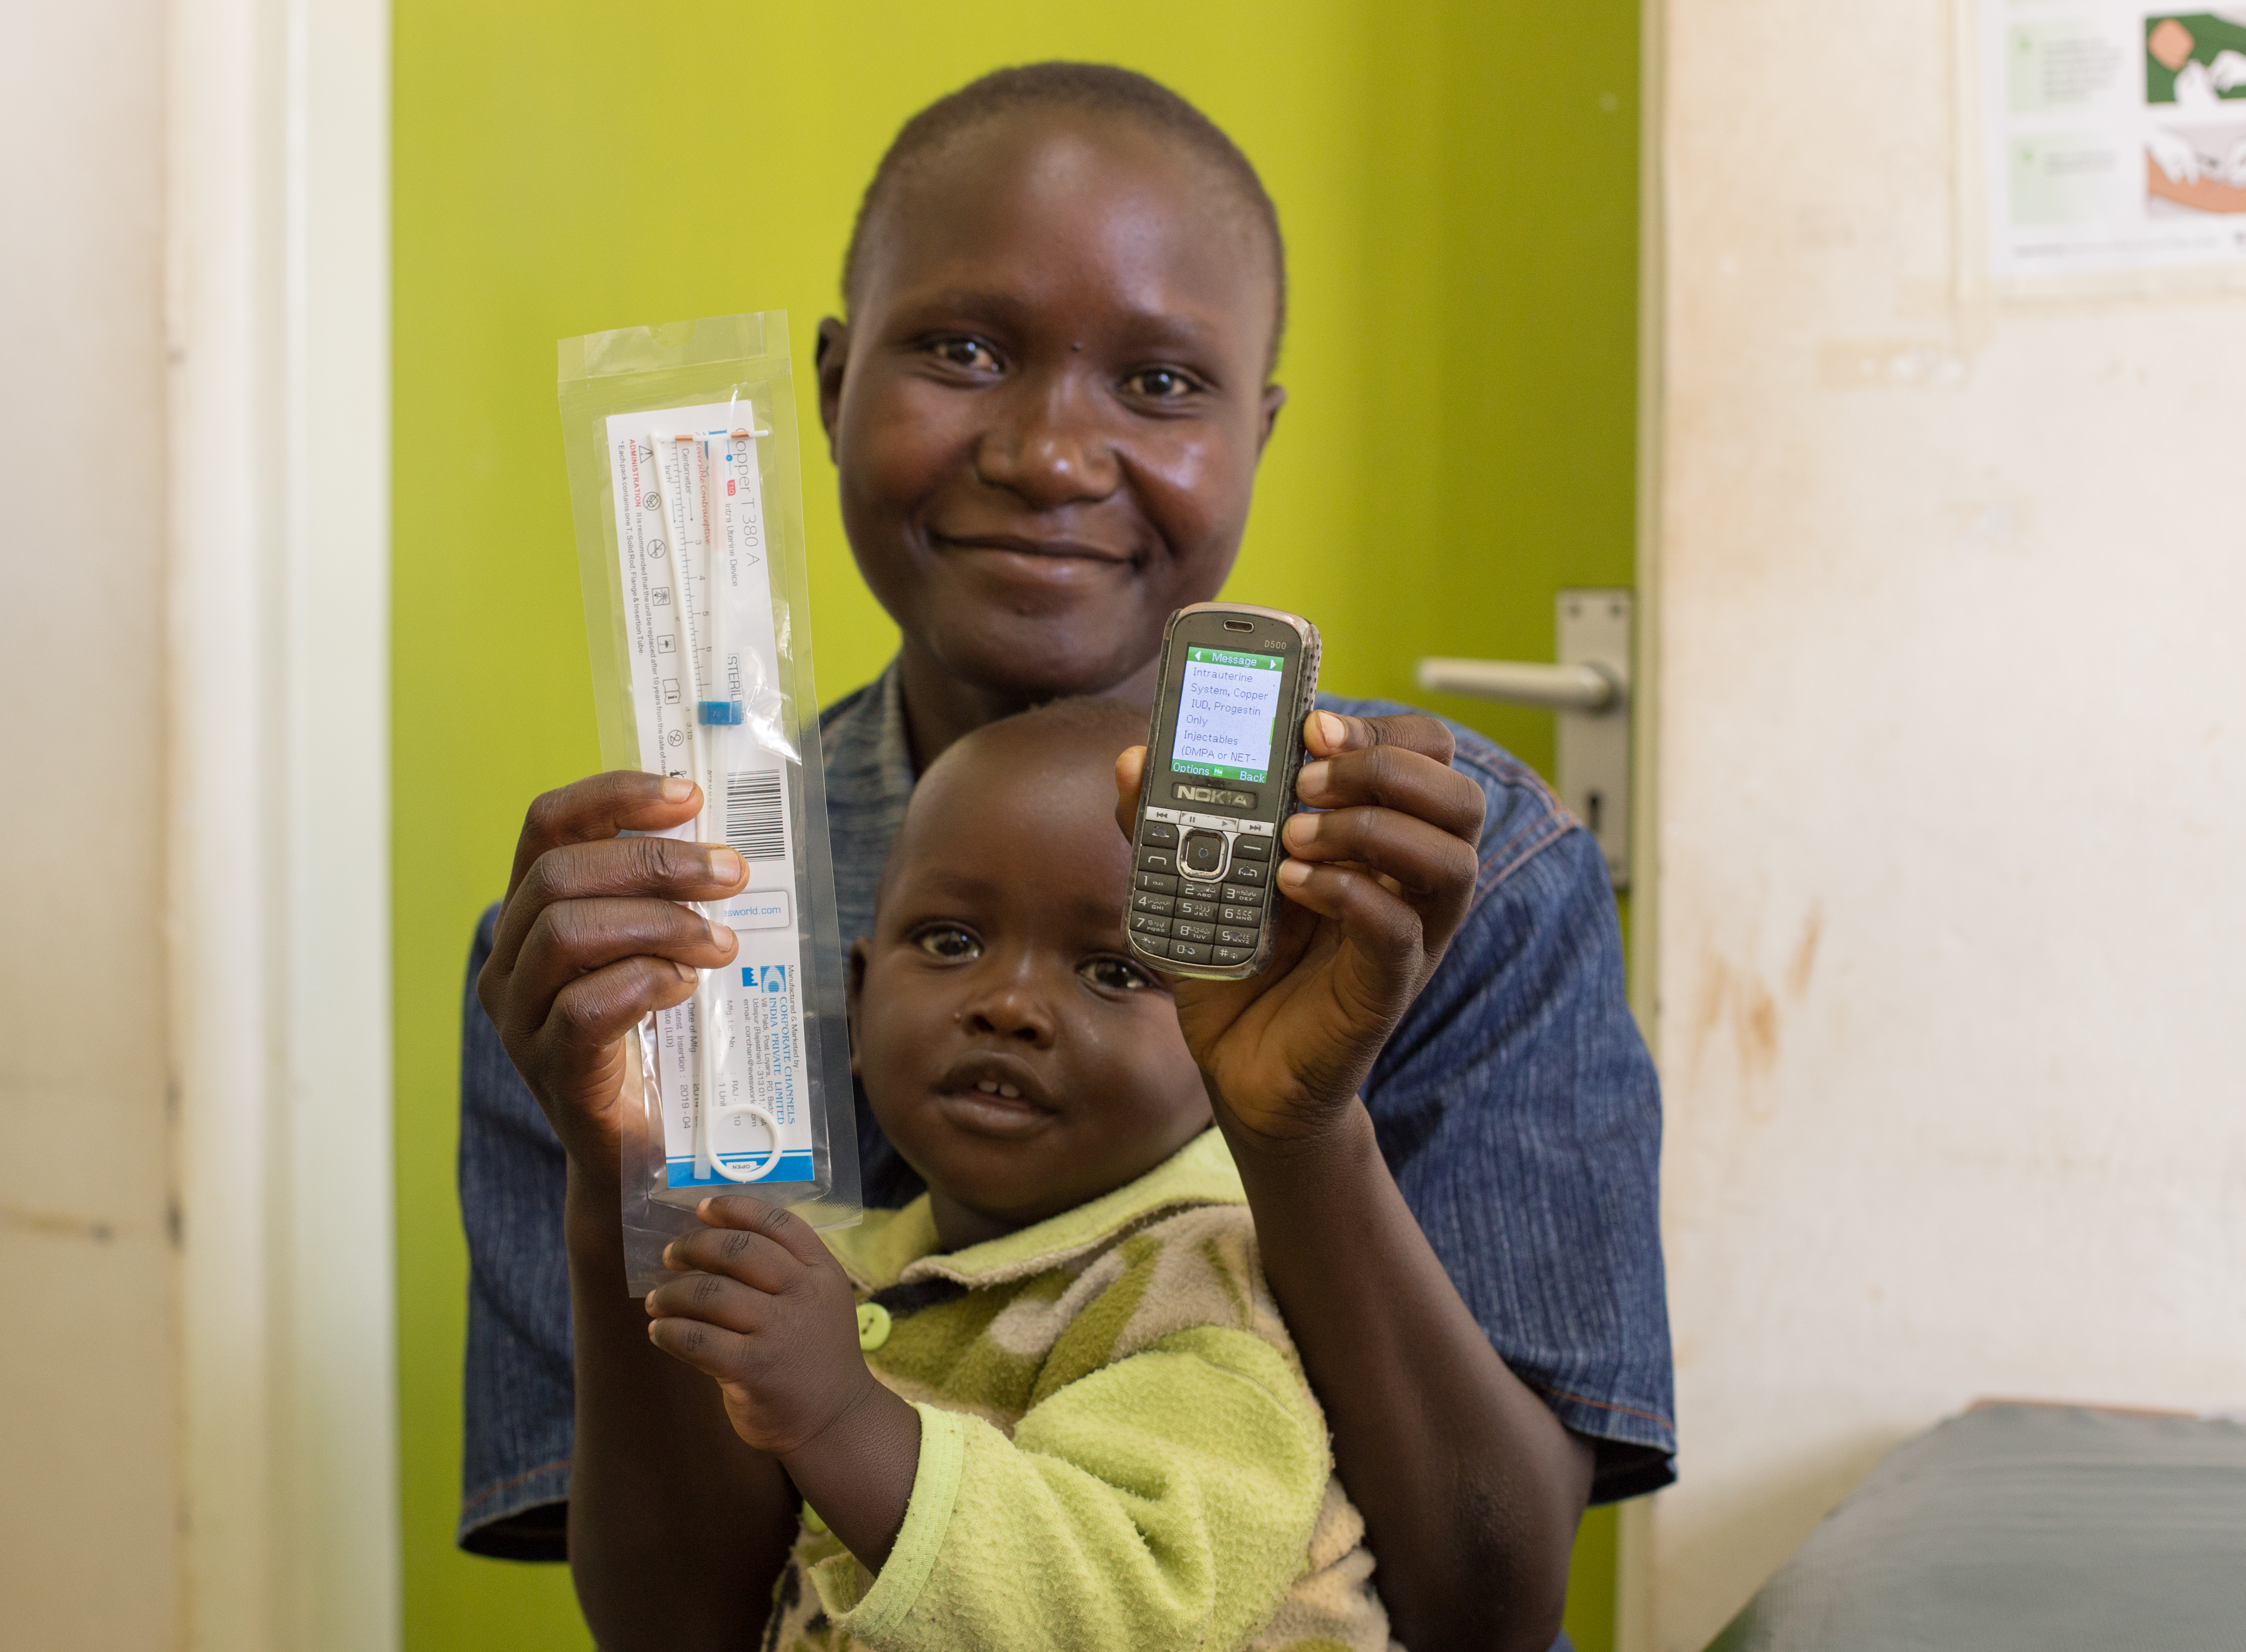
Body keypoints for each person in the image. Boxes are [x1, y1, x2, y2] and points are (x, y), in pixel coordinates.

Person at [465, 61, 1671, 1652]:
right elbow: (686, 1629)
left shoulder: (1460, 883)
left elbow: (1491, 1612)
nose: (1047, 452)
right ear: (830, 382)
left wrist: (1299, 1127)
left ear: (1260, 427)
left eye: (1162, 384)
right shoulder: (641, 929)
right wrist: (618, 1167)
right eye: (962, 350)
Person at [602, 699, 1396, 1651]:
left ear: (1224, 1036)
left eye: (1112, 970)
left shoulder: (1208, 1288)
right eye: (951, 942)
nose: (1010, 1004)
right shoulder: (844, 1269)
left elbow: (1120, 1607)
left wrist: (843, 1412)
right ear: (853, 1003)